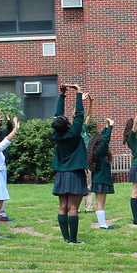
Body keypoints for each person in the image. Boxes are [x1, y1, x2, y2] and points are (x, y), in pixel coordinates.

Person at [52, 83, 89, 244]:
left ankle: (66, 238)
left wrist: (62, 94)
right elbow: (80, 114)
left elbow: (57, 115)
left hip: (61, 173)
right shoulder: (74, 133)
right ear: (68, 125)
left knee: (62, 207)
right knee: (73, 207)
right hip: (75, 172)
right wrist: (78, 93)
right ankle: (73, 240)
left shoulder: (57, 135)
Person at [88, 117, 117, 230]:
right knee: (100, 203)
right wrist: (111, 126)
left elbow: (101, 138)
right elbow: (105, 140)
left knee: (100, 203)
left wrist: (105, 127)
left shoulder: (95, 151)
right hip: (101, 180)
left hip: (98, 179)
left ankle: (102, 223)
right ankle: (102, 225)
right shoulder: (100, 151)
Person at [82, 93, 95, 213]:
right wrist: (80, 101)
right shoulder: (74, 132)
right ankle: (74, 208)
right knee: (78, 185)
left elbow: (89, 115)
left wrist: (90, 103)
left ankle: (89, 208)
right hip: (79, 160)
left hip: (87, 160)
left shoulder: (84, 128)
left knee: (88, 185)